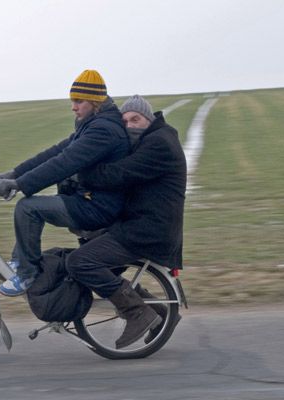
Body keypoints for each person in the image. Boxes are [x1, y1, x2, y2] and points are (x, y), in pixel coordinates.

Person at [0, 69, 130, 296]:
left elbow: (64, 163)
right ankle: (21, 262)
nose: (73, 107)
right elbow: (56, 152)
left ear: (95, 102)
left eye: (78, 101)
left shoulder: (103, 131)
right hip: (87, 198)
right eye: (72, 101)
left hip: (98, 206)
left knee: (28, 208)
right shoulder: (92, 123)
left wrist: (20, 184)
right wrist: (14, 173)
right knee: (31, 204)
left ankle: (27, 274)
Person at [66, 95, 187, 349]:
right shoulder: (152, 138)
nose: (130, 125)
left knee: (80, 262)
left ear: (149, 119)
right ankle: (162, 314)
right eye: (126, 121)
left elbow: (120, 174)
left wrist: (81, 172)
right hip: (142, 223)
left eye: (136, 119)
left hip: (148, 230)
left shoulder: (159, 143)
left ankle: (137, 313)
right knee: (91, 247)